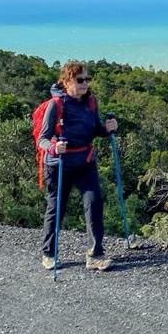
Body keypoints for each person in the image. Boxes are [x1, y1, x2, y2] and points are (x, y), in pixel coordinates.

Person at [38, 61, 117, 271]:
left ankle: (96, 254)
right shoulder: (55, 105)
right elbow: (42, 139)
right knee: (56, 208)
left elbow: (94, 129)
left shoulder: (91, 101)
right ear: (66, 81)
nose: (85, 83)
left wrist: (107, 129)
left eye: (87, 79)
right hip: (59, 165)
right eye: (80, 80)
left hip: (84, 162)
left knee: (94, 202)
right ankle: (48, 253)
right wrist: (54, 147)